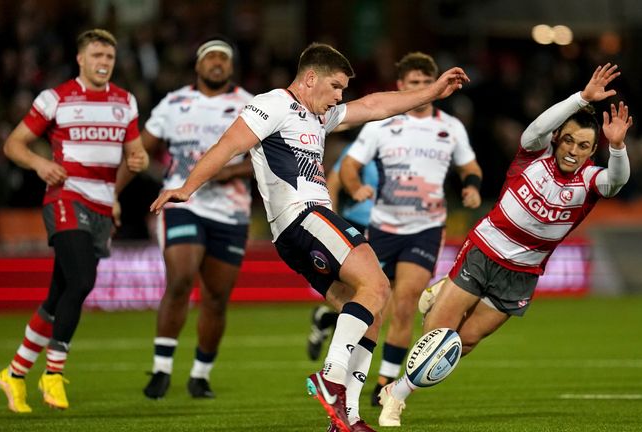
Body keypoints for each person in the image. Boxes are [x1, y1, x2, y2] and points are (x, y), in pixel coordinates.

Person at [150, 43, 469, 432]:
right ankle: (331, 378)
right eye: (335, 86)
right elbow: (228, 146)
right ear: (311, 78)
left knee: (369, 310)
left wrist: (432, 92)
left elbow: (376, 105)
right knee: (377, 284)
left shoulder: (320, 115)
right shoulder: (274, 104)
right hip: (304, 215)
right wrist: (188, 187)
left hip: (296, 231)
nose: (339, 97)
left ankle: (346, 419)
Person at [377, 63, 633, 427]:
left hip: (522, 274)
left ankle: (396, 391)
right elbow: (536, 129)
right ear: (558, 138)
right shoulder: (534, 156)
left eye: (585, 146)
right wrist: (581, 99)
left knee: (462, 344)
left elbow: (618, 181)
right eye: (570, 140)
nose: (574, 150)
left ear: (593, 152)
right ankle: (400, 392)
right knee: (437, 334)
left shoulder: (591, 180)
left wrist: (619, 147)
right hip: (484, 251)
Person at [0, 29, 148, 413]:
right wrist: (40, 163)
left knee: (57, 297)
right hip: (66, 198)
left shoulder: (124, 102)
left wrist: (138, 161)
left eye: (109, 57)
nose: (103, 63)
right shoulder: (56, 99)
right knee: (81, 281)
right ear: (80, 59)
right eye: (97, 55)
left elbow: (135, 153)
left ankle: (13, 375)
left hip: (101, 204)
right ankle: (53, 373)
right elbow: (14, 144)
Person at [338, 52, 484, 408]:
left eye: (425, 83)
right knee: (373, 306)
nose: (420, 89)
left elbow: (470, 165)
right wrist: (355, 188)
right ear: (401, 86)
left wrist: (472, 185)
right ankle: (350, 370)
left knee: (405, 305)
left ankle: (385, 380)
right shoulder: (380, 125)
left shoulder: (450, 127)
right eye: (413, 83)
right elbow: (349, 166)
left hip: (426, 228)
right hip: (384, 226)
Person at [140, 37, 254, 399]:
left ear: (231, 67)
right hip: (183, 202)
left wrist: (233, 170)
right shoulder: (173, 104)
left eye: (224, 57)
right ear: (198, 65)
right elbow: (141, 150)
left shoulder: (250, 105)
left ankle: (200, 375)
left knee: (217, 297)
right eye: (210, 57)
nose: (217, 62)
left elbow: (268, 160)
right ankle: (161, 369)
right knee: (181, 278)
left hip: (231, 212)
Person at [307, 145, 378, 362]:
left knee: (379, 302)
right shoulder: (365, 145)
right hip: (356, 226)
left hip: (388, 230)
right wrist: (332, 226)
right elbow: (334, 182)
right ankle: (341, 368)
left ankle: (327, 319)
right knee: (372, 299)